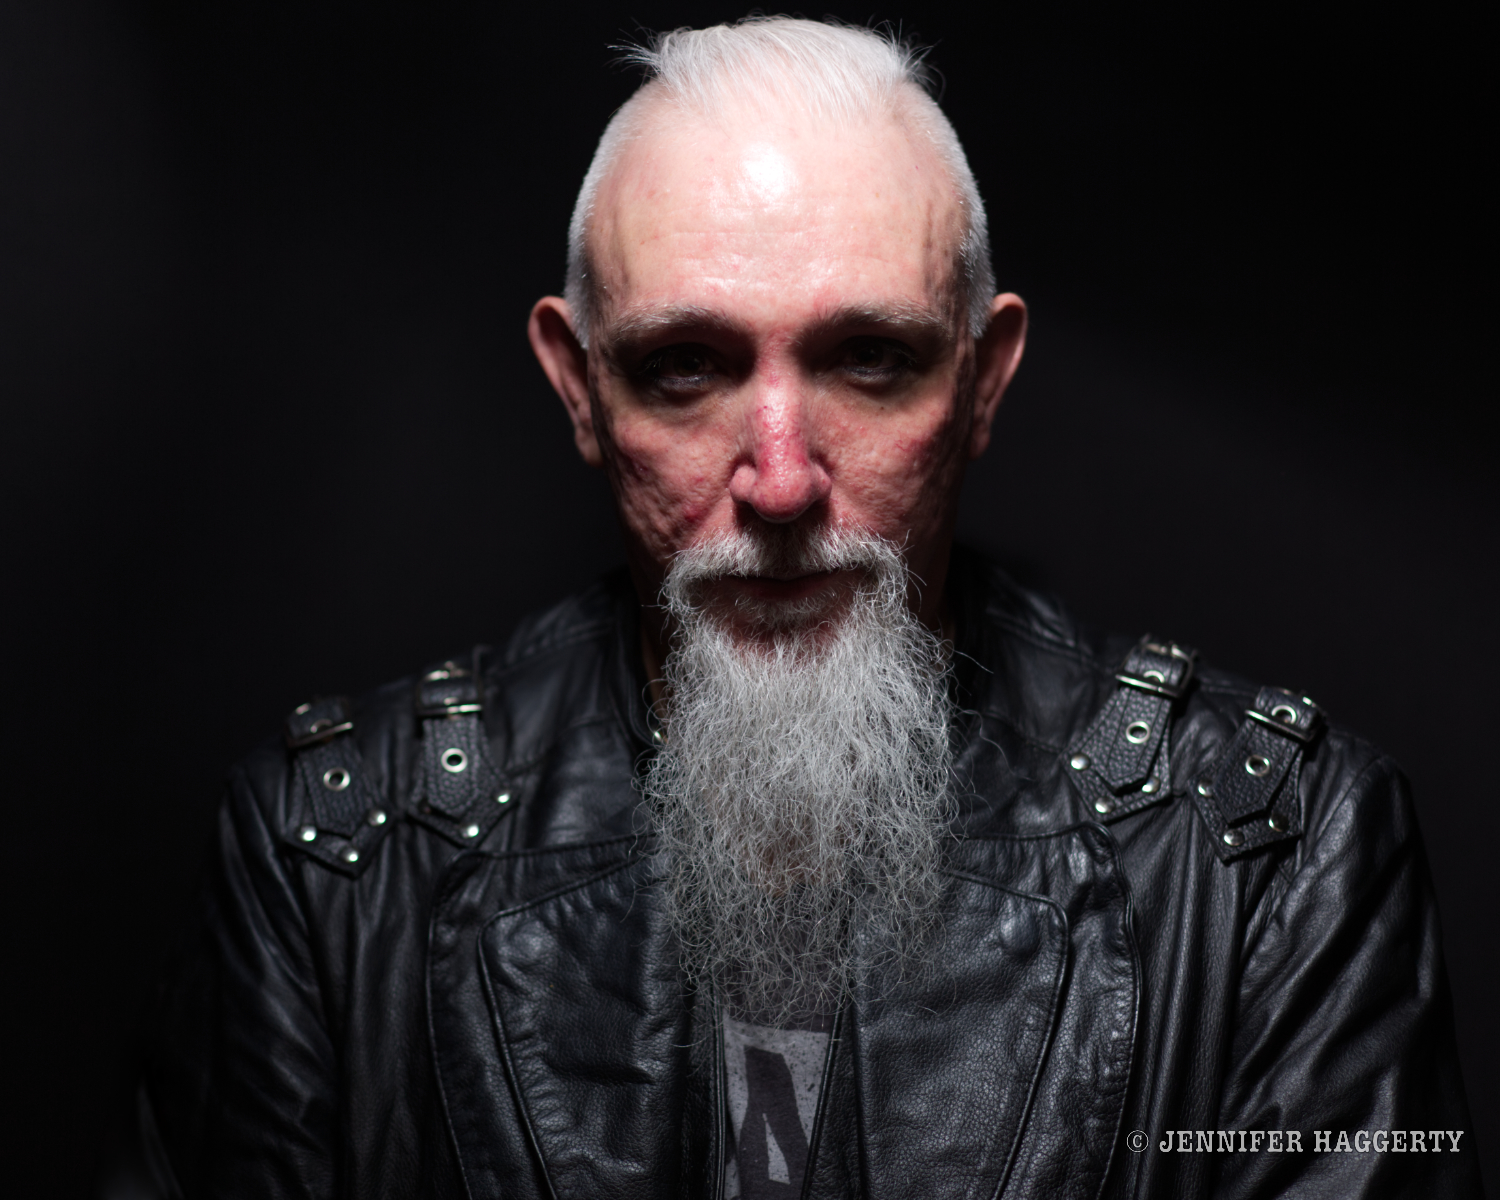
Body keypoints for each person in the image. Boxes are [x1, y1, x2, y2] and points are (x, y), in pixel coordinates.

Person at [102, 17, 1477, 1199]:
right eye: (685, 367)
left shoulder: (1273, 857)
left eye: (868, 358)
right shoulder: (334, 863)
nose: (778, 480)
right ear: (578, 389)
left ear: (984, 380)